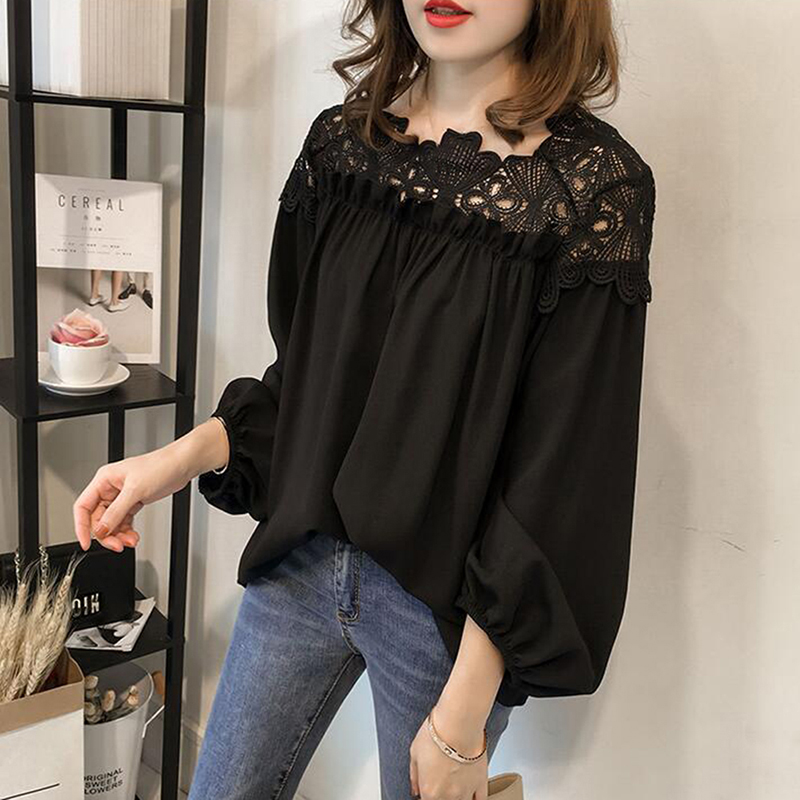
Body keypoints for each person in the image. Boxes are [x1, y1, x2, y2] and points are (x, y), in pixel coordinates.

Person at [72, 1, 657, 798]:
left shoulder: (591, 188)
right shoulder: (341, 149)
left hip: (444, 617)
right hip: (301, 565)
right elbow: (306, 384)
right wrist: (173, 461)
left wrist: (463, 719)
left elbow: (563, 476)